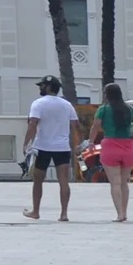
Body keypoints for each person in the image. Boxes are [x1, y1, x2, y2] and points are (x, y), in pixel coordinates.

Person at [21, 76, 76, 222]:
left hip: (42, 146)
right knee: (63, 180)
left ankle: (36, 211)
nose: (40, 88)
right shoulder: (67, 104)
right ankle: (64, 214)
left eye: (42, 85)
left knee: (38, 180)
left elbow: (32, 124)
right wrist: (76, 145)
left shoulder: (38, 104)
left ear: (50, 87)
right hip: (62, 147)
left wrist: (25, 143)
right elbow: (75, 125)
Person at [92, 82, 133, 222]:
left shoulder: (103, 109)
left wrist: (90, 142)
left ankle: (119, 213)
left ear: (107, 94)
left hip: (110, 145)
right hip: (128, 146)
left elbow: (95, 127)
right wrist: (132, 132)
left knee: (115, 183)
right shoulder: (130, 109)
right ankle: (125, 212)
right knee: (124, 182)